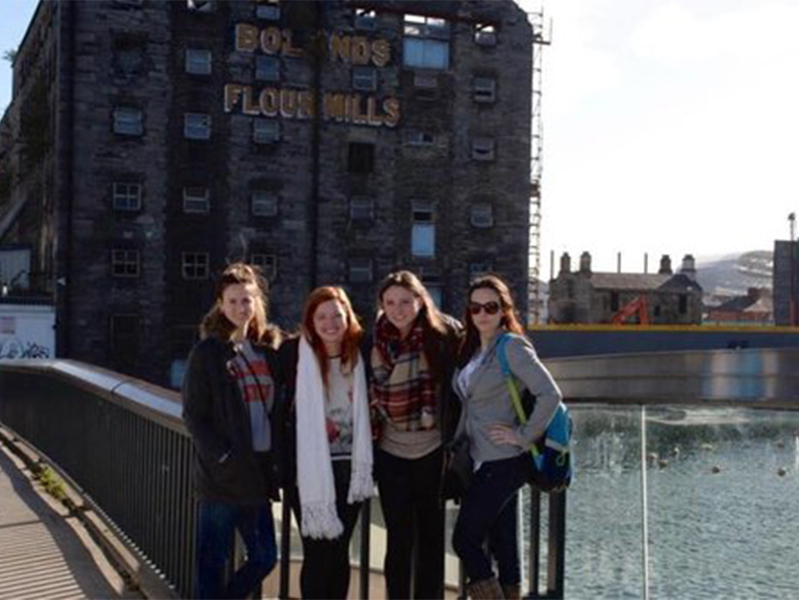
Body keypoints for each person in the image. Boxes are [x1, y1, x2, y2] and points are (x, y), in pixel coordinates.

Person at [451, 275, 562, 600]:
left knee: (465, 540)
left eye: (490, 307)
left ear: (504, 310)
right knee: (504, 546)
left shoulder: (511, 346)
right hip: (479, 457)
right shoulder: (474, 349)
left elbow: (550, 394)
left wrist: (523, 436)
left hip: (504, 460)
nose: (482, 314)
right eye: (475, 308)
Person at [181, 262, 282, 599]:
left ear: (257, 303)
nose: (241, 308)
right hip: (222, 477)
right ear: (221, 306)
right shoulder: (208, 352)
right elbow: (194, 415)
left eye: (247, 300)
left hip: (257, 471)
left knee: (265, 556)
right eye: (233, 301)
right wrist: (223, 456)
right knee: (212, 560)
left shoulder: (266, 351)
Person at [369, 270, 461, 600]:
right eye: (390, 302)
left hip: (432, 450)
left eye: (405, 301)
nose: (398, 309)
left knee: (431, 538)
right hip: (390, 451)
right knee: (399, 539)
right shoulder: (373, 340)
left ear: (421, 301)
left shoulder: (444, 336)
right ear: (382, 305)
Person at [280, 286, 374, 599]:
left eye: (337, 315)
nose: (330, 323)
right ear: (310, 321)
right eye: (321, 317)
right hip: (307, 470)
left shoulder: (364, 352)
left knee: (339, 550)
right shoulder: (293, 354)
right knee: (317, 552)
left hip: (351, 468)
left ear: (348, 317)